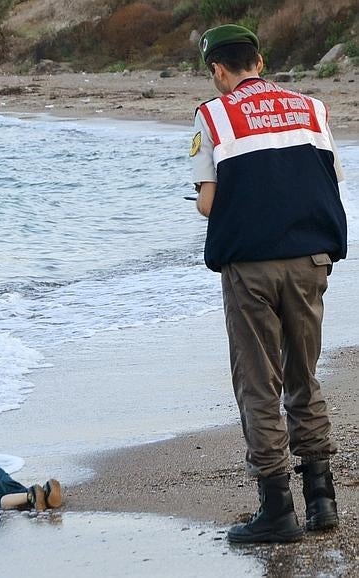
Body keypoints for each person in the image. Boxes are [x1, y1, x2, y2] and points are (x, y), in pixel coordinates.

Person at [190, 24, 347, 544]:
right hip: (311, 260)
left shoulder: (213, 114)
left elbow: (210, 204)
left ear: (217, 69)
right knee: (305, 374)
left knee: (259, 382)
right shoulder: (312, 108)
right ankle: (322, 501)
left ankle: (277, 509)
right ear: (259, 59)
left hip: (251, 267)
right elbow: (331, 178)